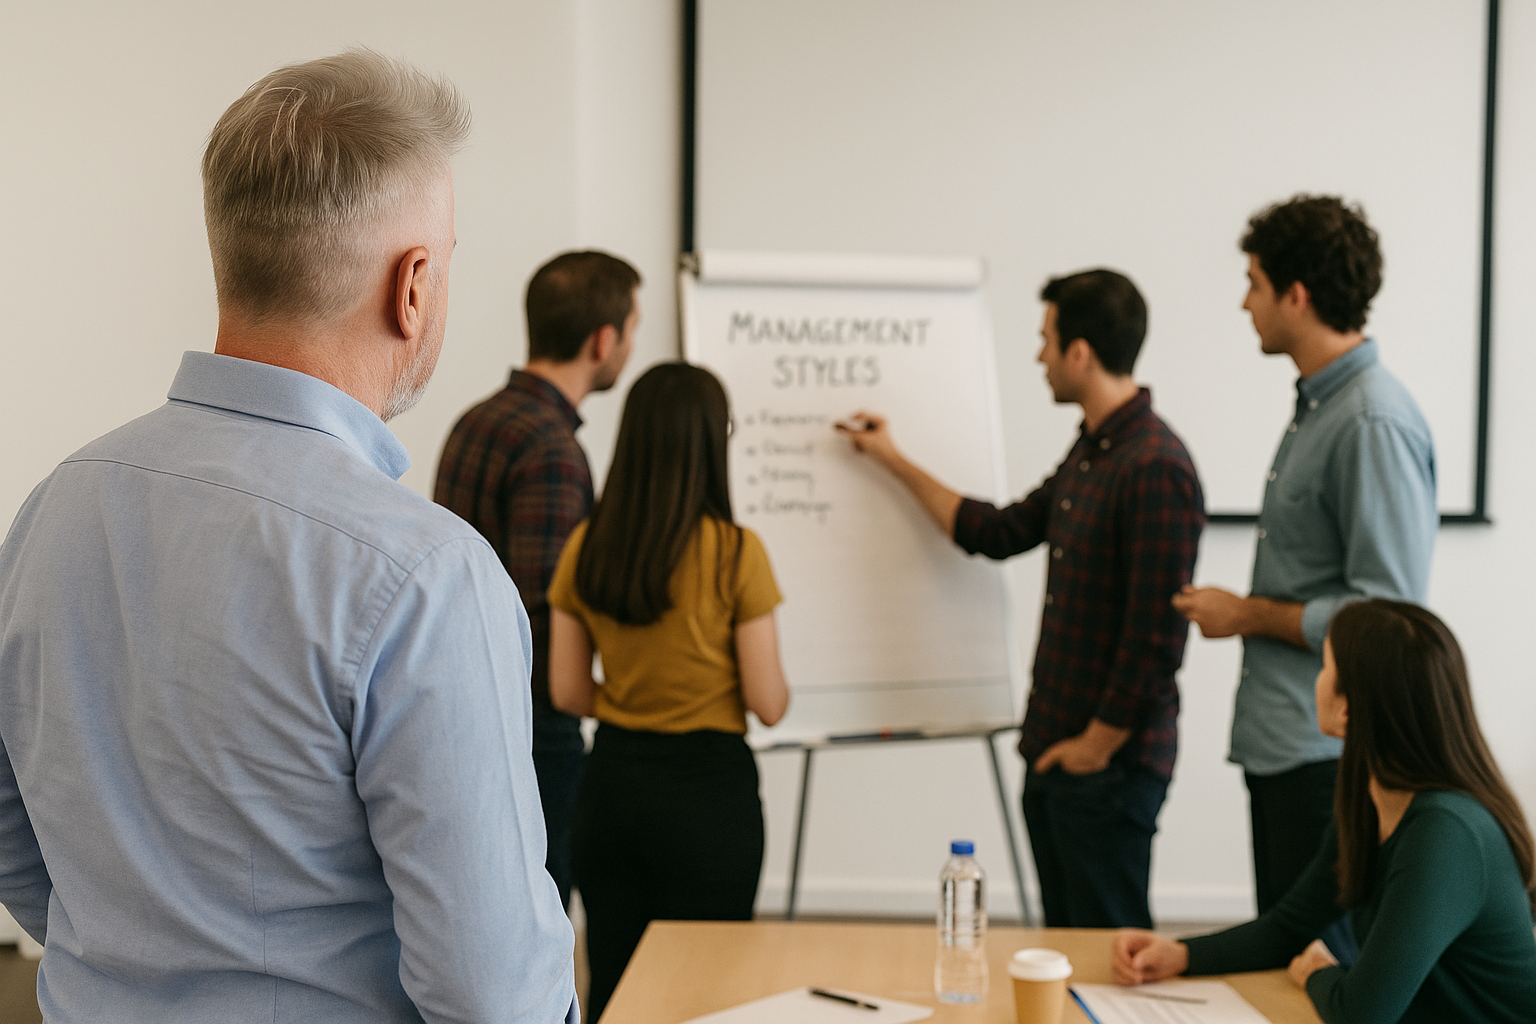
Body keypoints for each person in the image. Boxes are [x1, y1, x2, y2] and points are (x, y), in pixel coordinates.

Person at [0, 52, 577, 1023]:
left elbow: (15, 844)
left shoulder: (52, 508)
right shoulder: (423, 575)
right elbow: (493, 994)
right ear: (415, 285)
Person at [840, 269, 1204, 928]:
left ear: (1080, 353)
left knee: (1108, 956)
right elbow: (997, 531)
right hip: (1056, 754)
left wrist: (1096, 745)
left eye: (1046, 339)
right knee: (1067, 949)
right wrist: (891, 459)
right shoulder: (1093, 454)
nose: (1038, 355)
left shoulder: (1155, 465)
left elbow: (1157, 637)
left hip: (1107, 769)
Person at [1173, 196, 1437, 950]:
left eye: (1254, 282)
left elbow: (1386, 611)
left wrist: (1246, 613)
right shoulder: (1322, 408)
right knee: (1287, 966)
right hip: (1288, 746)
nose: (1243, 301)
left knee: (1324, 975)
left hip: (1328, 757)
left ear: (1297, 295)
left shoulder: (1369, 419)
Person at [1113, 600, 1536, 1023]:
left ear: (1350, 707)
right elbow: (1290, 925)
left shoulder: (1445, 834)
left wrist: (1319, 973)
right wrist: (1181, 953)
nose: (1315, 681)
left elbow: (1361, 1015)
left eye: (1325, 667)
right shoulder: (1369, 799)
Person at [547, 362, 790, 1021]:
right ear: (713, 441)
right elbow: (769, 703)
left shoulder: (587, 547)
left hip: (614, 791)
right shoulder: (738, 553)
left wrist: (634, 703)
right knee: (708, 999)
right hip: (711, 801)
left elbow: (567, 691)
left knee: (620, 992)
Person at [434, 248, 639, 909]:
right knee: (541, 911)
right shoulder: (553, 447)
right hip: (532, 728)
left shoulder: (476, 420)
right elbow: (542, 612)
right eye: (633, 330)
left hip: (466, 708)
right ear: (602, 339)